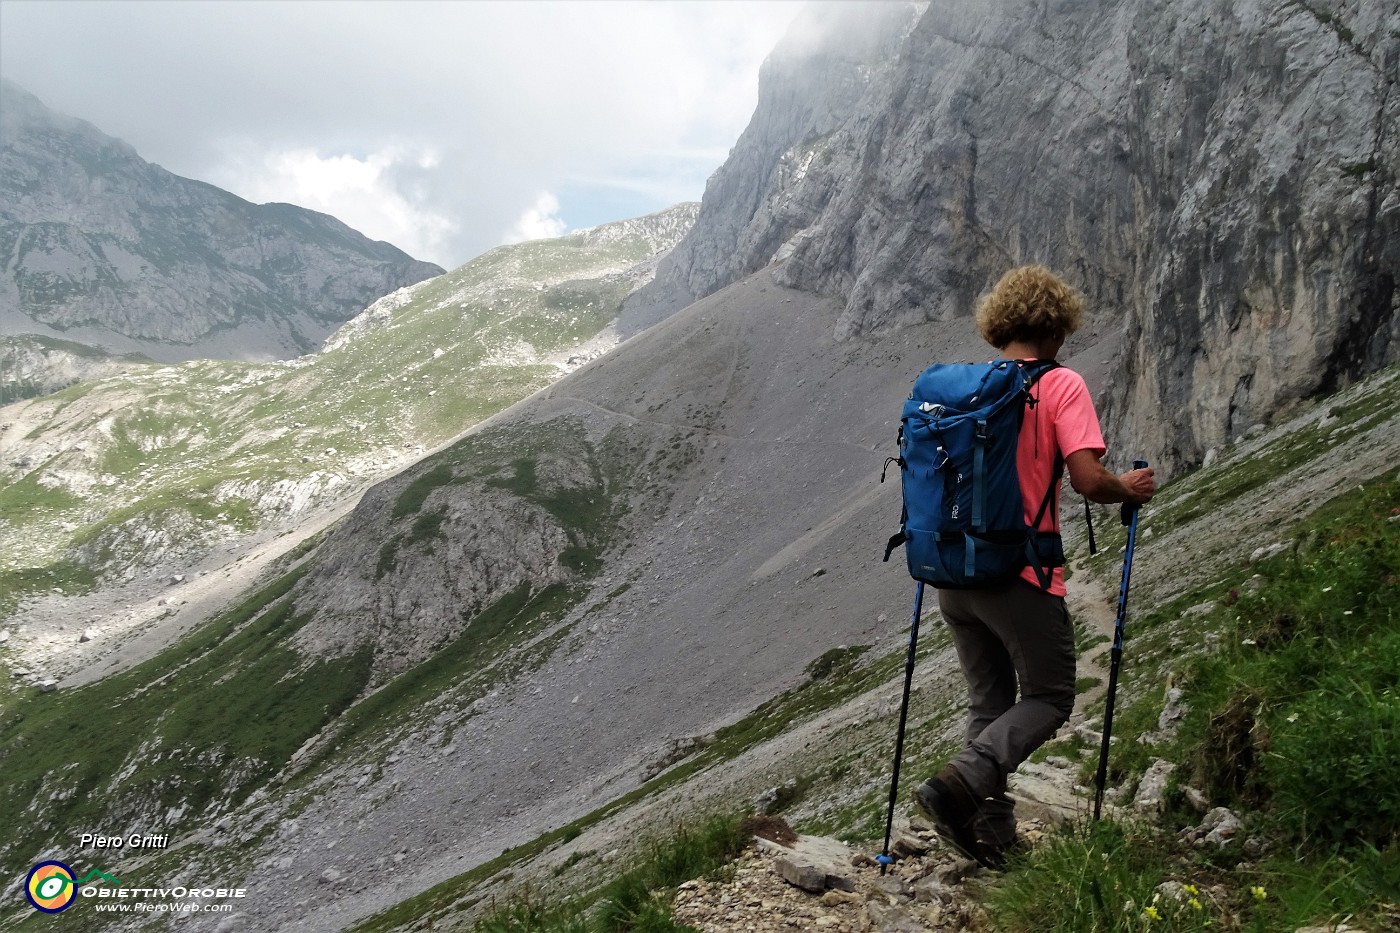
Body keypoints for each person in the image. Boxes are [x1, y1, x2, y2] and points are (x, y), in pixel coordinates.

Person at [912, 265, 1155, 868]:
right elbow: (1087, 479)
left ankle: (990, 836)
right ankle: (962, 781)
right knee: (1050, 696)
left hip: (951, 577)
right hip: (1017, 575)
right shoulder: (1060, 385)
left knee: (989, 703)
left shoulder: (966, 388)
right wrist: (1126, 487)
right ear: (1057, 325)